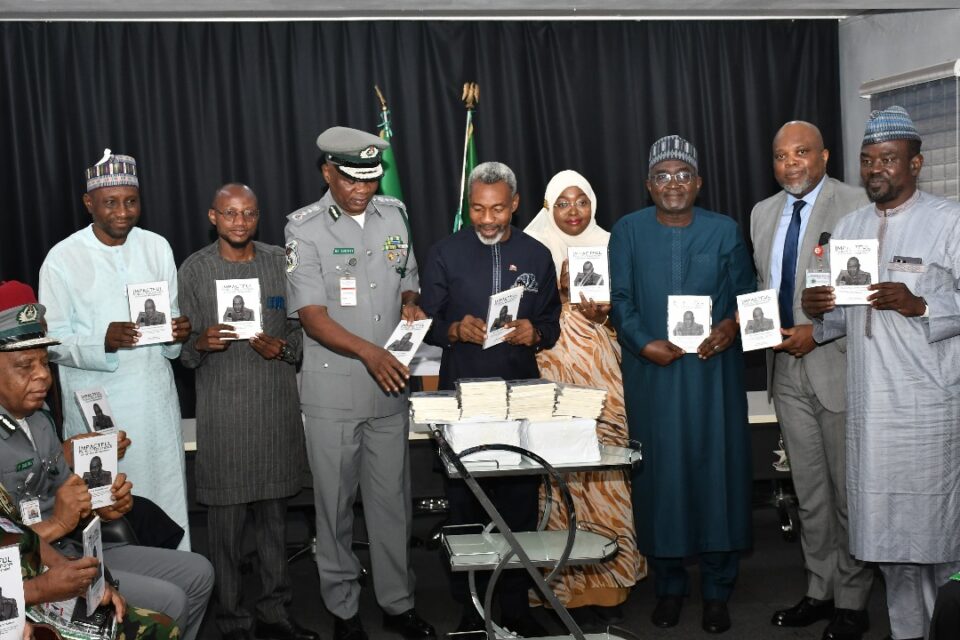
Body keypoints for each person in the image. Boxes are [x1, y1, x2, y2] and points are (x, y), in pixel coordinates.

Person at [802, 106, 960, 640]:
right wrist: (819, 307)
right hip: (870, 409)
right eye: (869, 160)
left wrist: (923, 305)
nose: (876, 170)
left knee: (937, 541)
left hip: (927, 408)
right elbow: (840, 322)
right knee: (891, 545)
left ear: (915, 164)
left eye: (888, 160)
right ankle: (907, 634)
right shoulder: (849, 227)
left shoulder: (948, 220)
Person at [284, 127, 435, 640]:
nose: (362, 190)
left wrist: (411, 301)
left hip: (388, 387)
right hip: (333, 391)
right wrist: (370, 351)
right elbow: (311, 316)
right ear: (328, 171)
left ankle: (398, 603)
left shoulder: (395, 215)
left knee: (393, 502)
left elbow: (406, 275)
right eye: (351, 179)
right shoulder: (303, 230)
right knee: (335, 507)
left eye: (371, 179)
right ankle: (344, 609)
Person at [0, 284, 213, 640]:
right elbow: (21, 543)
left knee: (199, 572)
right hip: (31, 572)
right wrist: (59, 523)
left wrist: (102, 506)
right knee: (171, 600)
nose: (42, 376)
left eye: (43, 362)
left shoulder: (40, 418)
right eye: (25, 366)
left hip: (71, 549)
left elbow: (65, 494)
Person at [609, 135, 755, 634]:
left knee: (718, 476)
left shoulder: (725, 230)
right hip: (653, 374)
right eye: (663, 176)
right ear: (649, 184)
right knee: (661, 478)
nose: (673, 184)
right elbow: (620, 299)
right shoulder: (627, 231)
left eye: (683, 175)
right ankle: (668, 587)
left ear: (698, 182)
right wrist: (643, 342)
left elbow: (748, 298)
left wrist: (730, 327)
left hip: (713, 375)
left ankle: (717, 590)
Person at [419, 161, 562, 635]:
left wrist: (533, 331)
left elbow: (551, 323)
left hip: (521, 396)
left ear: (515, 205)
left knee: (520, 499)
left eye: (497, 209)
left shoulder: (537, 254)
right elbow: (426, 322)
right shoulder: (444, 252)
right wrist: (454, 328)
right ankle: (470, 608)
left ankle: (518, 607)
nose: (486, 219)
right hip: (462, 395)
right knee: (465, 503)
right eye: (477, 208)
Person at [750, 120, 872, 639]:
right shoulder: (762, 213)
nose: (791, 164)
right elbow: (764, 286)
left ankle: (853, 599)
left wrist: (816, 333)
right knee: (809, 493)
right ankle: (819, 589)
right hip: (785, 371)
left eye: (801, 152)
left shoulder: (856, 206)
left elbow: (863, 292)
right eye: (781, 156)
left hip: (837, 362)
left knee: (848, 492)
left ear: (824, 155)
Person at [179, 183, 316, 640]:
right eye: (230, 214)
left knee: (276, 526)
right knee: (225, 531)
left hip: (275, 414)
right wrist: (199, 342)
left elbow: (306, 334)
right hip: (223, 419)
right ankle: (233, 620)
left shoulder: (281, 262)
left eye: (249, 214)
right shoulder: (196, 270)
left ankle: (275, 613)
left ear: (259, 216)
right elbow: (179, 348)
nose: (240, 222)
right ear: (213, 217)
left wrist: (284, 348)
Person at [38, 150, 194, 549]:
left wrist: (177, 335)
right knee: (107, 512)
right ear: (89, 203)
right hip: (99, 411)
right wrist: (100, 342)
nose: (123, 212)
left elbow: (170, 327)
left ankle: (178, 597)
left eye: (131, 201)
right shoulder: (61, 258)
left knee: (166, 502)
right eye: (111, 202)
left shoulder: (157, 247)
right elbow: (51, 342)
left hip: (155, 404)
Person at [524, 169, 645, 629]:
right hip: (550, 372)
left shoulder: (614, 242)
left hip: (603, 374)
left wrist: (607, 312)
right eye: (562, 203)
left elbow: (633, 307)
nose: (573, 212)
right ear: (547, 207)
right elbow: (514, 314)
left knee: (604, 466)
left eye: (581, 202)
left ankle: (611, 578)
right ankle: (558, 583)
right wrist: (555, 293)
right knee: (555, 474)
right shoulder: (529, 247)